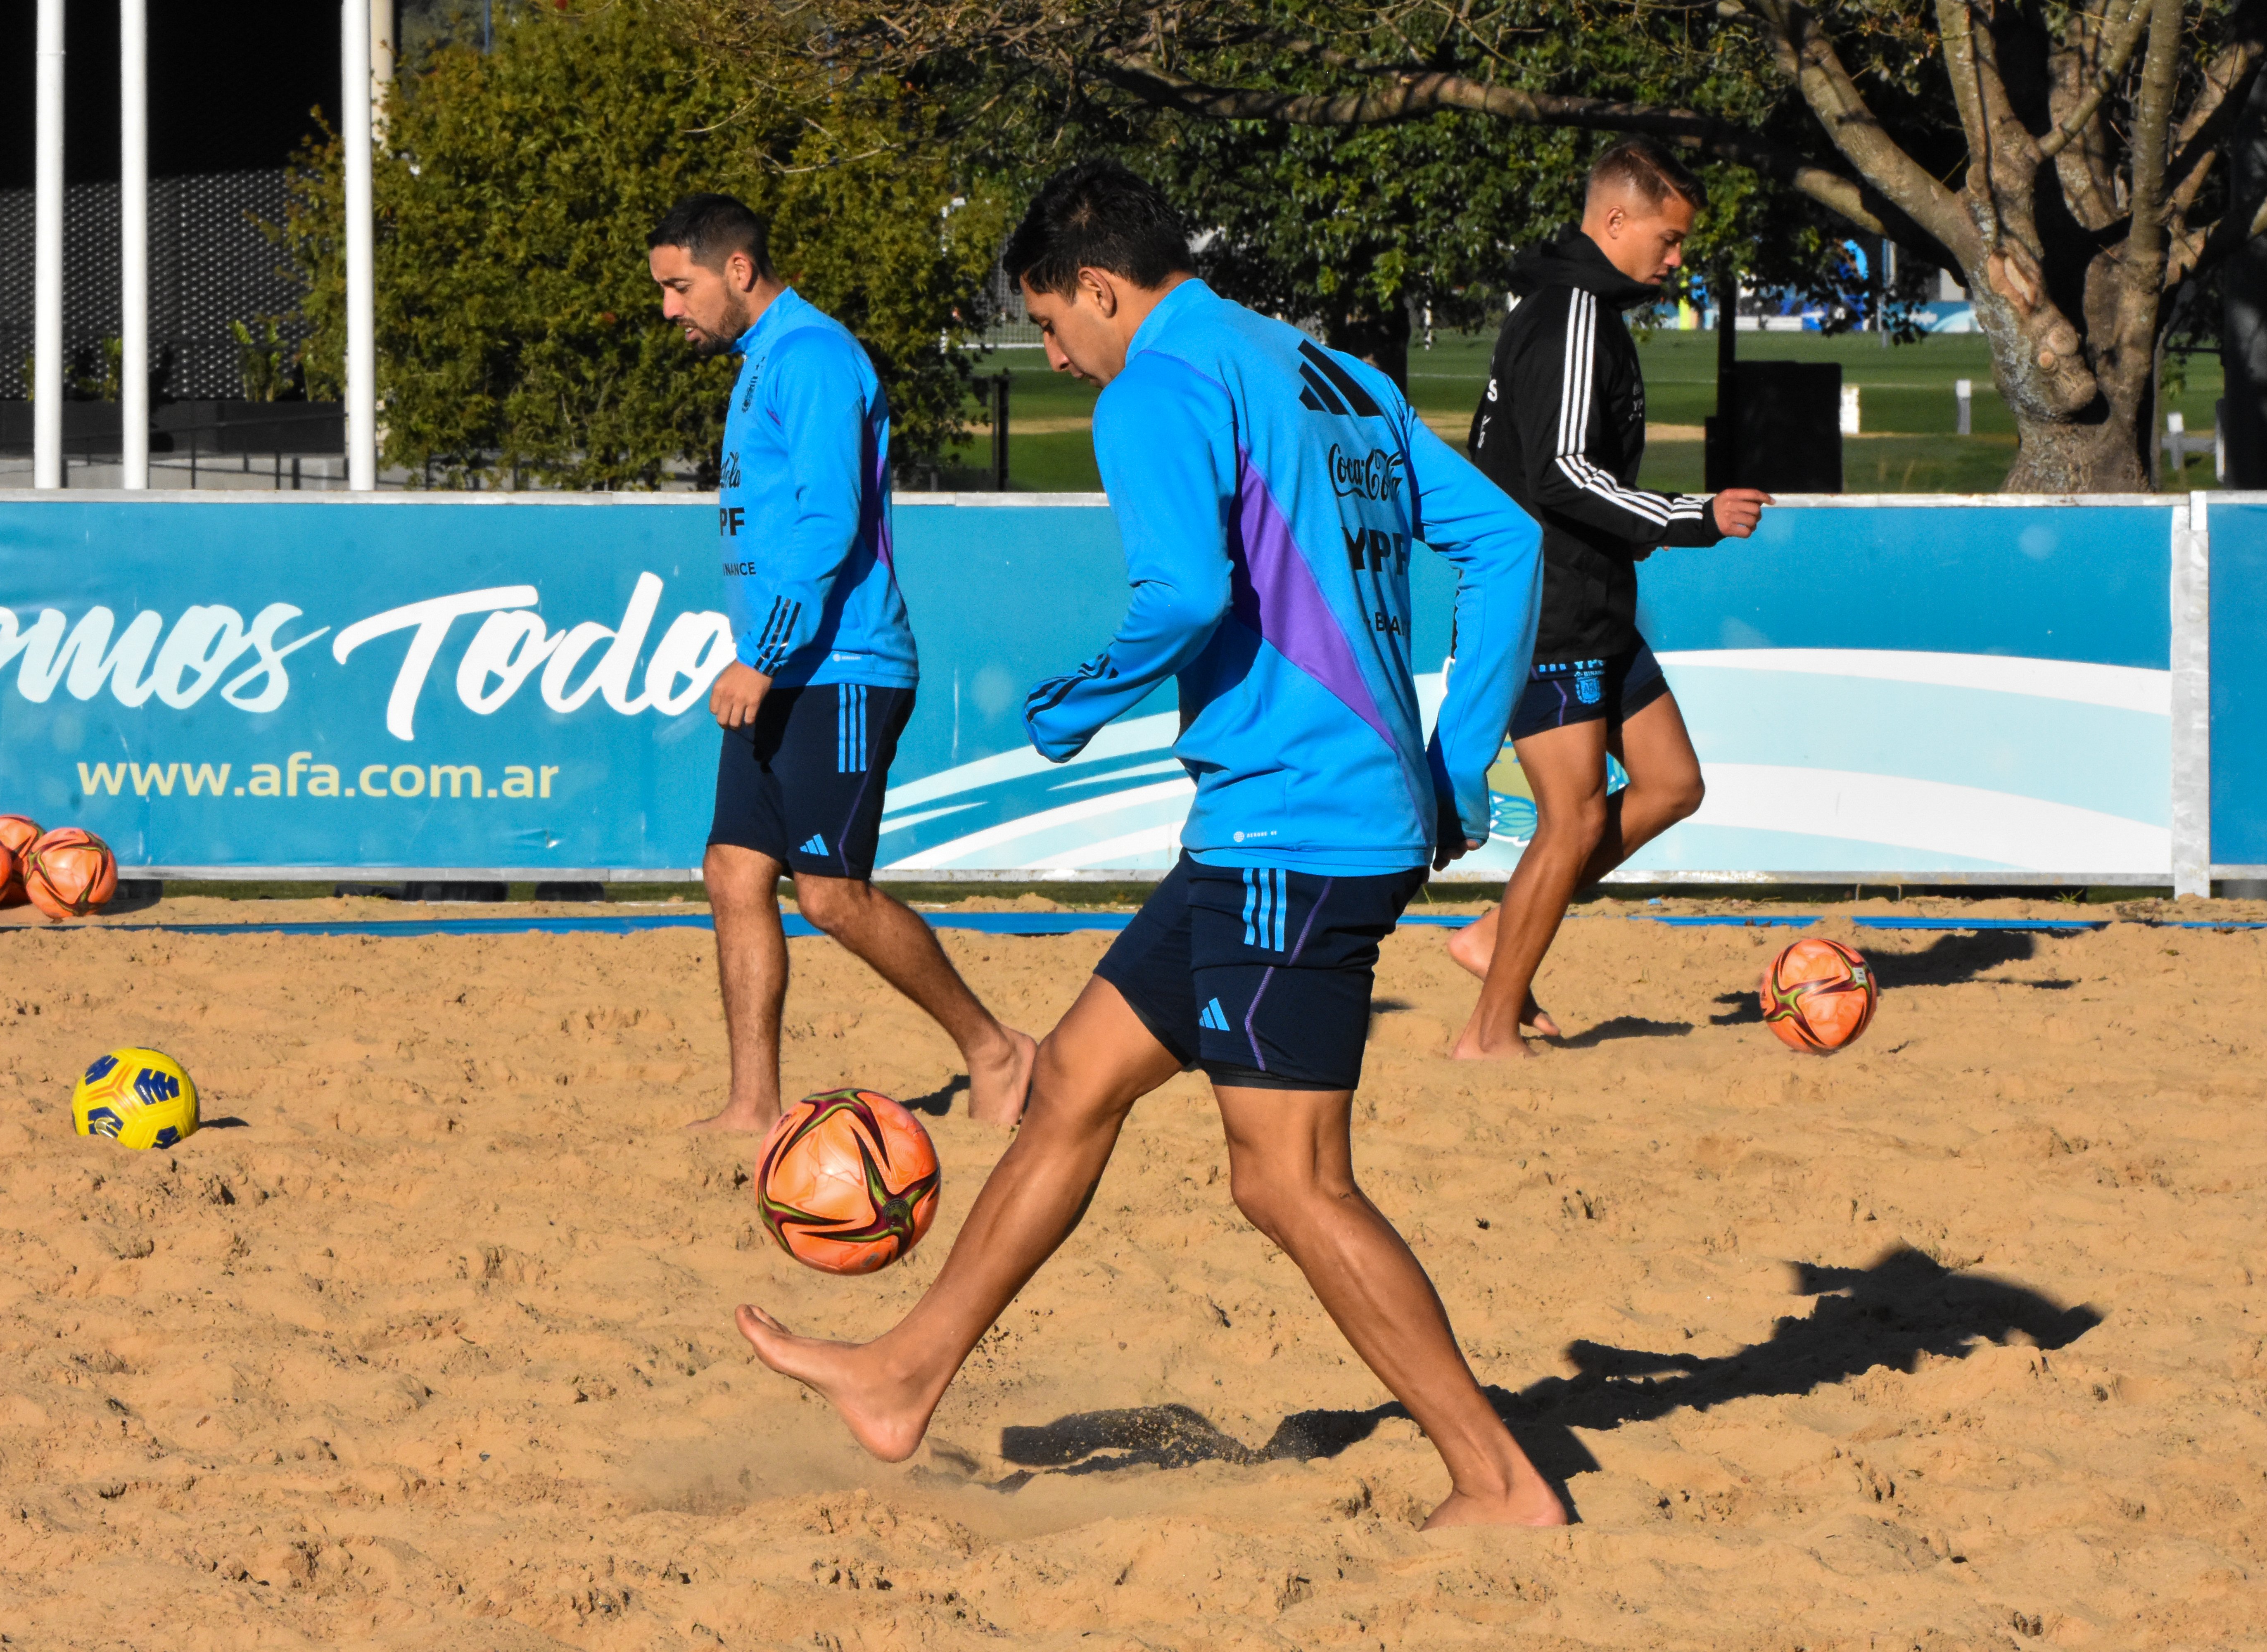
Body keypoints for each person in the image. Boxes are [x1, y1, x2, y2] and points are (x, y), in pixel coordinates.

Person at [734, 162, 1565, 1528]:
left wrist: (1077, 701)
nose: (1056, 360)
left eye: (1051, 326)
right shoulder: (1326, 369)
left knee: (1289, 1183)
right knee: (1070, 1083)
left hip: (1294, 832)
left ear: (1101, 287)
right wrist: (1458, 757)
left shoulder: (1159, 387)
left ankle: (1499, 1481)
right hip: (1282, 823)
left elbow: (1185, 594)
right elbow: (1508, 544)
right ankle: (901, 1377)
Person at [648, 194, 1036, 1130]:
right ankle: (752, 1103)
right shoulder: (763, 361)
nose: (669, 308)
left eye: (679, 286)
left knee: (831, 895)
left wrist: (762, 655)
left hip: (842, 667)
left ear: (738, 270)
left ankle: (996, 1048)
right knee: (733, 872)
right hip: (786, 666)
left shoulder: (813, 356)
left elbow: (830, 522)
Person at [1447, 139, 1772, 1061]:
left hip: (1589, 596)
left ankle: (1493, 935)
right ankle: (1487, 1035)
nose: (1678, 259)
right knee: (1578, 816)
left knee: (1672, 784)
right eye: (1670, 239)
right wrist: (1694, 515)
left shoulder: (1577, 307)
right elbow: (1561, 474)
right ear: (1616, 220)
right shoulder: (1573, 312)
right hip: (1546, 606)